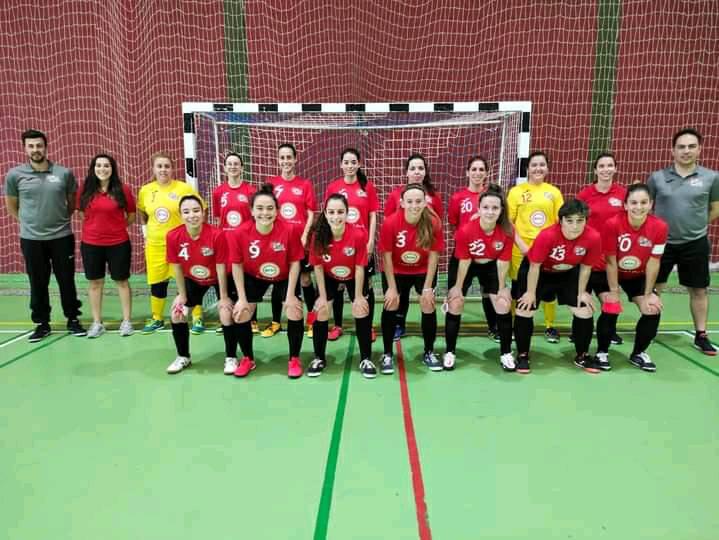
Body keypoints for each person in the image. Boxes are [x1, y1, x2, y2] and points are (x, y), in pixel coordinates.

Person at [4, 129, 85, 341]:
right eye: (31, 146)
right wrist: (29, 223)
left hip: (61, 237)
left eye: (39, 145)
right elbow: (12, 206)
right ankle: (42, 323)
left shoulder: (63, 173)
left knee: (66, 280)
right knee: (37, 282)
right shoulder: (15, 175)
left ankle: (73, 320)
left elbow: (72, 203)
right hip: (31, 240)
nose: (35, 149)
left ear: (46, 146)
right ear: (25, 148)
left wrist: (58, 221)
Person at [647, 128, 719, 355]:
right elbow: (646, 207)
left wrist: (695, 226)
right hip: (662, 244)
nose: (686, 151)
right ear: (673, 150)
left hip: (695, 243)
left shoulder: (711, 177)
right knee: (654, 289)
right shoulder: (657, 177)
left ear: (699, 149)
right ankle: (648, 330)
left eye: (691, 146)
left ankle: (701, 335)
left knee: (698, 290)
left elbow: (715, 208)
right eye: (681, 147)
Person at [513, 199, 601, 374]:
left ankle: (582, 355)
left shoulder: (593, 237)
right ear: (560, 221)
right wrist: (530, 293)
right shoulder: (547, 236)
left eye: (580, 220)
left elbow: (586, 267)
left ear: (586, 220)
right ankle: (522, 354)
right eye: (569, 221)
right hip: (538, 271)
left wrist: (582, 292)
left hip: (569, 272)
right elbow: (534, 266)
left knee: (584, 309)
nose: (575, 226)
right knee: (525, 307)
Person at [228, 184, 305, 379]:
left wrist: (289, 296)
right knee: (241, 313)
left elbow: (296, 263)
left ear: (277, 211)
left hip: (283, 276)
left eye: (270, 208)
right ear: (252, 211)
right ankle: (248, 358)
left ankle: (294, 359)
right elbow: (236, 265)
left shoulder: (290, 230)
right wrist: (242, 299)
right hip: (254, 275)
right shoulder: (239, 233)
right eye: (260, 208)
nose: (265, 213)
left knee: (294, 310)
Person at [597, 184, 668, 372]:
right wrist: (614, 291)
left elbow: (654, 262)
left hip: (638, 275)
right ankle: (602, 352)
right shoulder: (612, 224)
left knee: (652, 308)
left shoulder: (660, 227)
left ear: (651, 204)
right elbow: (610, 261)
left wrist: (649, 293)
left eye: (644, 202)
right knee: (611, 305)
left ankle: (638, 353)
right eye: (634, 202)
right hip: (609, 272)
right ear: (626, 205)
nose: (639, 207)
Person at [445, 185, 514, 371]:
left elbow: (502, 263)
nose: (490, 212)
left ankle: (506, 353)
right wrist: (458, 287)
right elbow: (464, 262)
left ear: (501, 210)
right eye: (486, 207)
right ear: (479, 208)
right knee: (456, 302)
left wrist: (501, 288)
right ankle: (449, 351)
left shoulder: (507, 231)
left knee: (502, 303)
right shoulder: (466, 231)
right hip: (465, 264)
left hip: (491, 265)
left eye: (495, 208)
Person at [164, 195, 234, 374]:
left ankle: (231, 358)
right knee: (177, 314)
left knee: (226, 314)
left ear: (203, 213)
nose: (192, 215)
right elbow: (177, 268)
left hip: (219, 278)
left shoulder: (217, 235)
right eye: (186, 212)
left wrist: (224, 297)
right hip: (193, 280)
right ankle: (183, 356)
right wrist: (181, 295)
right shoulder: (173, 236)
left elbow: (220, 267)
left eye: (196, 211)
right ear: (180, 215)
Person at [307, 194, 375, 378]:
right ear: (325, 213)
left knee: (361, 309)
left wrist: (359, 296)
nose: (336, 217)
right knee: (321, 310)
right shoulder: (318, 236)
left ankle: (366, 358)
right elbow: (318, 268)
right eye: (331, 212)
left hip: (354, 275)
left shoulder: (359, 234)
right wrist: (322, 297)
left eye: (340, 212)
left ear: (347, 214)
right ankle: (319, 357)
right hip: (329, 276)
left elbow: (360, 267)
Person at [379, 184, 444, 373]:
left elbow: (434, 256)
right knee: (391, 303)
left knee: (427, 303)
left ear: (425, 203)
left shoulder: (433, 223)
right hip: (397, 270)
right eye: (410, 201)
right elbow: (386, 256)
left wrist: (427, 288)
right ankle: (387, 353)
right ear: (401, 203)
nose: (414, 205)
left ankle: (429, 352)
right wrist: (391, 288)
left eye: (418, 201)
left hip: (422, 269)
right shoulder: (391, 222)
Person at [136, 152, 202, 334]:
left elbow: (199, 210)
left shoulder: (183, 189)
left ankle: (197, 317)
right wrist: (145, 235)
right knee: (157, 283)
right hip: (155, 245)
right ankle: (157, 317)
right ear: (154, 169)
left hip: (181, 246)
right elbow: (143, 214)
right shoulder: (146, 190)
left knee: (190, 281)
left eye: (167, 166)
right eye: (160, 166)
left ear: (173, 169)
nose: (163, 170)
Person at [383, 153, 443, 341]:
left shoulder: (433, 197)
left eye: (421, 168)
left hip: (422, 256)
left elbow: (438, 225)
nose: (417, 172)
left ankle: (429, 345)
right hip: (400, 255)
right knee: (399, 297)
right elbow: (390, 222)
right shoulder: (396, 194)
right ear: (407, 172)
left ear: (425, 172)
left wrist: (428, 210)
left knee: (426, 299)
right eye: (413, 168)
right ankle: (399, 324)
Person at [507, 150, 564, 343]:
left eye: (542, 165)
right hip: (521, 249)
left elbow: (560, 222)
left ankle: (549, 325)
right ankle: (516, 324)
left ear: (547, 168)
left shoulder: (554, 192)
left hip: (547, 250)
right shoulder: (516, 192)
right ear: (528, 168)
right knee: (519, 289)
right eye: (534, 165)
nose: (538, 168)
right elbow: (509, 222)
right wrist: (522, 245)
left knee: (548, 291)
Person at [323, 148, 379, 342]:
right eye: (346, 162)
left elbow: (372, 215)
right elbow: (328, 216)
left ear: (359, 164)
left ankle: (368, 324)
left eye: (353, 162)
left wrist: (371, 240)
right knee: (337, 286)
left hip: (362, 245)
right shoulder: (333, 187)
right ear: (341, 165)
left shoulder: (367, 187)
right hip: (339, 245)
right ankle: (337, 325)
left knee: (366, 287)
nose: (349, 166)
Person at [77, 153, 136, 338]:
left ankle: (126, 321)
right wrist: (95, 227)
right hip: (91, 243)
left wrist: (116, 227)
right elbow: (80, 212)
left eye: (107, 166)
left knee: (122, 281)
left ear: (112, 169)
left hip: (118, 243)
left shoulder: (123, 189)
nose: (102, 169)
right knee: (95, 283)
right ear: (93, 168)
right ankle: (97, 323)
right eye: (99, 165)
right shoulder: (84, 190)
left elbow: (131, 214)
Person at [262, 143, 317, 338]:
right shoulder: (272, 184)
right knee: (277, 279)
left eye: (289, 157)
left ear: (295, 159)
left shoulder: (305, 185)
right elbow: (266, 212)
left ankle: (312, 321)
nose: (286, 161)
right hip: (278, 243)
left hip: (300, 242)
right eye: (282, 157)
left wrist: (304, 235)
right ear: (278, 160)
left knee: (305, 279)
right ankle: (276, 321)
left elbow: (311, 213)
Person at [577, 152, 627, 347]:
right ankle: (579, 332)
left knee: (611, 300)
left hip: (611, 259)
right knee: (582, 299)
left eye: (609, 165)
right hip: (587, 258)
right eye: (602, 166)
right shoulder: (585, 194)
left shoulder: (623, 195)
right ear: (595, 169)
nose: (606, 169)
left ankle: (610, 332)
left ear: (615, 168)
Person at [447, 155, 498, 342]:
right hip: (463, 256)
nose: (477, 173)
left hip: (487, 255)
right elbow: (453, 223)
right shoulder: (458, 197)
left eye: (481, 170)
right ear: (467, 172)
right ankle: (452, 334)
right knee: (456, 293)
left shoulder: (491, 198)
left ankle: (494, 327)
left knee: (490, 292)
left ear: (486, 173)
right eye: (474, 169)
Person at [211, 152, 258, 334]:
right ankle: (227, 316)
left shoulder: (251, 191)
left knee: (246, 278)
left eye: (236, 163)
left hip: (244, 241)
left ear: (242, 167)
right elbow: (218, 217)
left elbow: (254, 218)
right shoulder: (218, 192)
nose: (233, 166)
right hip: (225, 241)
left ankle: (251, 318)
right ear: (225, 168)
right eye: (229, 164)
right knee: (226, 277)